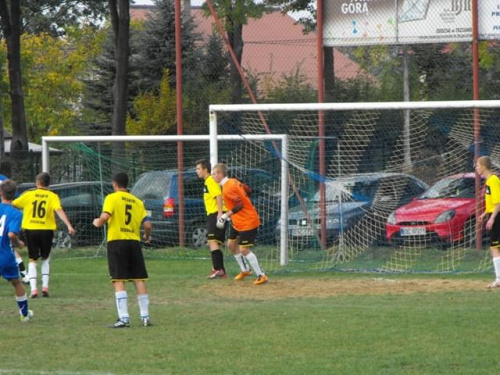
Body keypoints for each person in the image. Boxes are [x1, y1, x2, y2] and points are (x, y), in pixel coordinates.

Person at [93, 172, 152, 328]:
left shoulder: (111, 198)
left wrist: (97, 223)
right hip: (133, 242)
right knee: (139, 279)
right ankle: (145, 317)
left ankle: (124, 318)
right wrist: (146, 237)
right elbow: (147, 225)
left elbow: (105, 217)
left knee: (119, 280)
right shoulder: (137, 202)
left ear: (114, 184)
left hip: (117, 241)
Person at [13, 172, 75, 298]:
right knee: (45, 258)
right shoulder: (52, 196)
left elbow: (13, 204)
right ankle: (45, 288)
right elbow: (59, 210)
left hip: (31, 229)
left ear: (38, 183)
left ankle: (34, 289)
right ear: (48, 184)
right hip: (47, 230)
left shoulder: (29, 194)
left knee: (32, 259)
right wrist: (69, 225)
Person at [212, 163, 268, 285]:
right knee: (231, 244)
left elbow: (240, 204)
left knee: (244, 249)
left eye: (214, 174)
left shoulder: (228, 187)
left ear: (221, 174)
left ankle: (261, 275)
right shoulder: (233, 182)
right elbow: (248, 190)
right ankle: (245, 270)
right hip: (238, 220)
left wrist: (225, 215)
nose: (213, 176)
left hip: (248, 221)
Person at [0, 180, 33, 322]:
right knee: (16, 282)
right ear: (14, 194)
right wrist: (19, 243)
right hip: (5, 254)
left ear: (1, 193)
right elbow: (12, 234)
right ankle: (25, 314)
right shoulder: (16, 213)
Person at [195, 159, 227, 279]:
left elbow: (218, 195)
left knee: (212, 241)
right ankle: (219, 269)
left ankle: (218, 269)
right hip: (214, 213)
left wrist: (219, 213)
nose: (197, 171)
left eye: (198, 169)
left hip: (216, 213)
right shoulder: (208, 181)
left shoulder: (210, 181)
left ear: (205, 169)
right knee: (213, 242)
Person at [476, 156, 500, 288]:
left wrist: (492, 218)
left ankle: (498, 280)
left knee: (495, 247)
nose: (477, 168)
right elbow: (492, 203)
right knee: (495, 247)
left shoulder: (493, 180)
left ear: (484, 166)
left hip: (497, 216)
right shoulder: (489, 181)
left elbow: (498, 202)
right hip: (494, 214)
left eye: (478, 165)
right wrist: (485, 213)